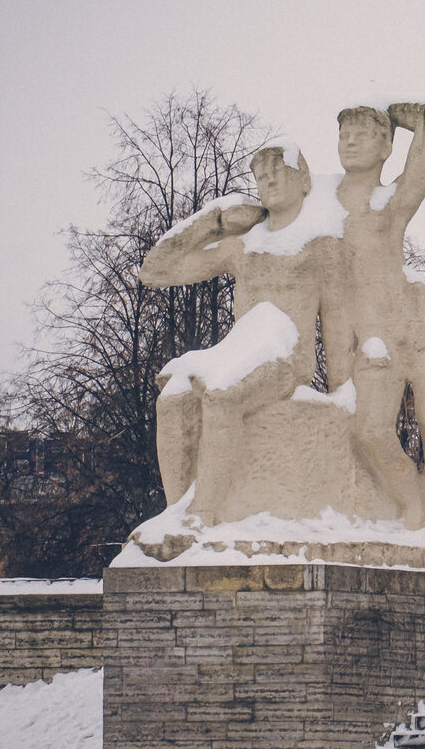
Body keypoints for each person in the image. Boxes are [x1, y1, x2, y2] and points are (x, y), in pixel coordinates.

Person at [139, 144, 343, 519]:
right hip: (240, 349)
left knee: (221, 395)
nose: (267, 183)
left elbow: (336, 318)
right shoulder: (243, 246)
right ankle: (176, 514)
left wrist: (341, 388)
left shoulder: (320, 245)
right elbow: (154, 272)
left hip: (285, 353)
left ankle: (204, 513)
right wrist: (211, 222)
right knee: (173, 398)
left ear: (303, 180)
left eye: (276, 173)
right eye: (260, 178)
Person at [332, 101, 425, 532]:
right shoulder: (323, 207)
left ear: (387, 144)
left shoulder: (390, 202)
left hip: (419, 321)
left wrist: (395, 114)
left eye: (363, 134)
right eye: (344, 135)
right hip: (375, 339)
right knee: (369, 430)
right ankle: (413, 498)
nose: (350, 142)